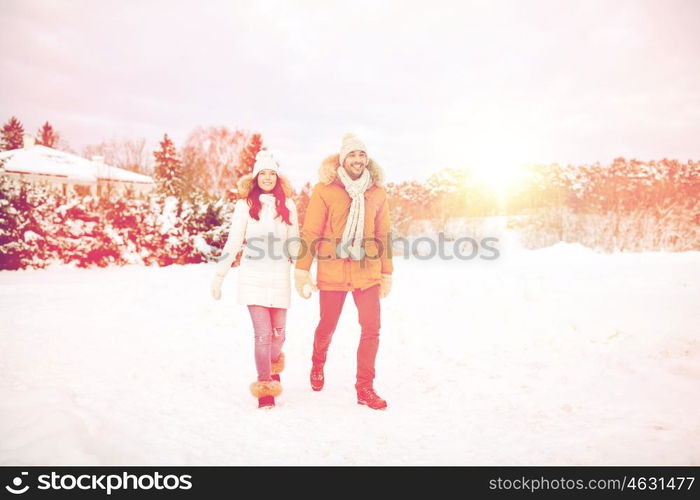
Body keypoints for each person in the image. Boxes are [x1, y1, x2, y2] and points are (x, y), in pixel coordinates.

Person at [294, 133, 393, 410]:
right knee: (327, 325)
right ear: (342, 159)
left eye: (362, 155)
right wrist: (302, 269)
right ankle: (317, 363)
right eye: (352, 155)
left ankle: (365, 388)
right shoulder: (325, 190)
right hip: (333, 271)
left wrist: (387, 272)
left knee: (372, 329)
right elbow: (311, 231)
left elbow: (384, 233)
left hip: (367, 270)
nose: (357, 160)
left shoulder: (377, 192)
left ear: (367, 159)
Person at [211, 150, 299, 409]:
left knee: (279, 335)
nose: (268, 178)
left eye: (273, 173)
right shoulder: (245, 205)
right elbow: (233, 241)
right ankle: (265, 387)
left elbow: (295, 243)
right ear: (256, 177)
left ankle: (271, 367)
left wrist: (307, 273)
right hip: (253, 275)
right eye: (263, 173)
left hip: (280, 274)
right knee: (262, 335)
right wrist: (219, 276)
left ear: (278, 177)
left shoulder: (288, 205)